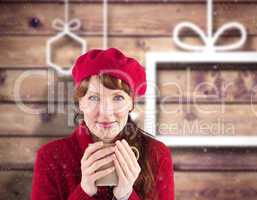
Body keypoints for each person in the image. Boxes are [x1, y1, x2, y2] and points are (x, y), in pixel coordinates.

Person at [31, 48, 174, 200]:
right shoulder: (51, 157)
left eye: (118, 98)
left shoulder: (157, 155)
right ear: (80, 103)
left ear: (131, 104)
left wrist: (126, 195)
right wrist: (84, 191)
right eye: (94, 98)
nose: (105, 113)